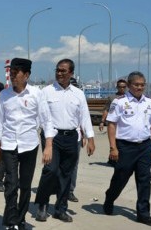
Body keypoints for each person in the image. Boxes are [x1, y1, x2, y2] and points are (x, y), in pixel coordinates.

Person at [0, 58, 54, 230]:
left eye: (16, 73)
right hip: (9, 145)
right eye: (11, 73)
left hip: (29, 145)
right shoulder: (5, 95)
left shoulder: (36, 94)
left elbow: (47, 121)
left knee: (25, 186)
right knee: (11, 185)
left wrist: (48, 146)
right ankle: (11, 222)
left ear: (26, 75)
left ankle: (20, 220)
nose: (12, 76)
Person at [34, 59, 95, 223]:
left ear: (71, 73)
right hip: (52, 137)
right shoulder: (46, 92)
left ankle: (61, 209)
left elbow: (85, 117)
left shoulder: (78, 94)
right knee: (50, 171)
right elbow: (41, 117)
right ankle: (42, 205)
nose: (59, 73)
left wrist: (90, 138)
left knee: (66, 174)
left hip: (71, 138)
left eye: (63, 71)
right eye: (57, 70)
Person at [103, 71, 151, 227]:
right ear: (129, 85)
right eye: (136, 84)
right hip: (125, 147)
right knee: (120, 178)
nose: (139, 87)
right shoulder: (119, 102)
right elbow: (111, 124)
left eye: (142, 85)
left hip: (145, 146)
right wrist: (113, 148)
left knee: (145, 180)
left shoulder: (150, 103)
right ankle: (110, 198)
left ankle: (143, 214)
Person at [100, 79, 127, 166]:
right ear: (117, 87)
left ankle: (118, 159)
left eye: (124, 87)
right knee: (113, 141)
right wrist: (102, 122)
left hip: (124, 124)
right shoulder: (112, 98)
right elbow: (106, 110)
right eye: (120, 87)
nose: (122, 89)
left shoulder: (129, 97)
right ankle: (112, 159)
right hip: (113, 124)